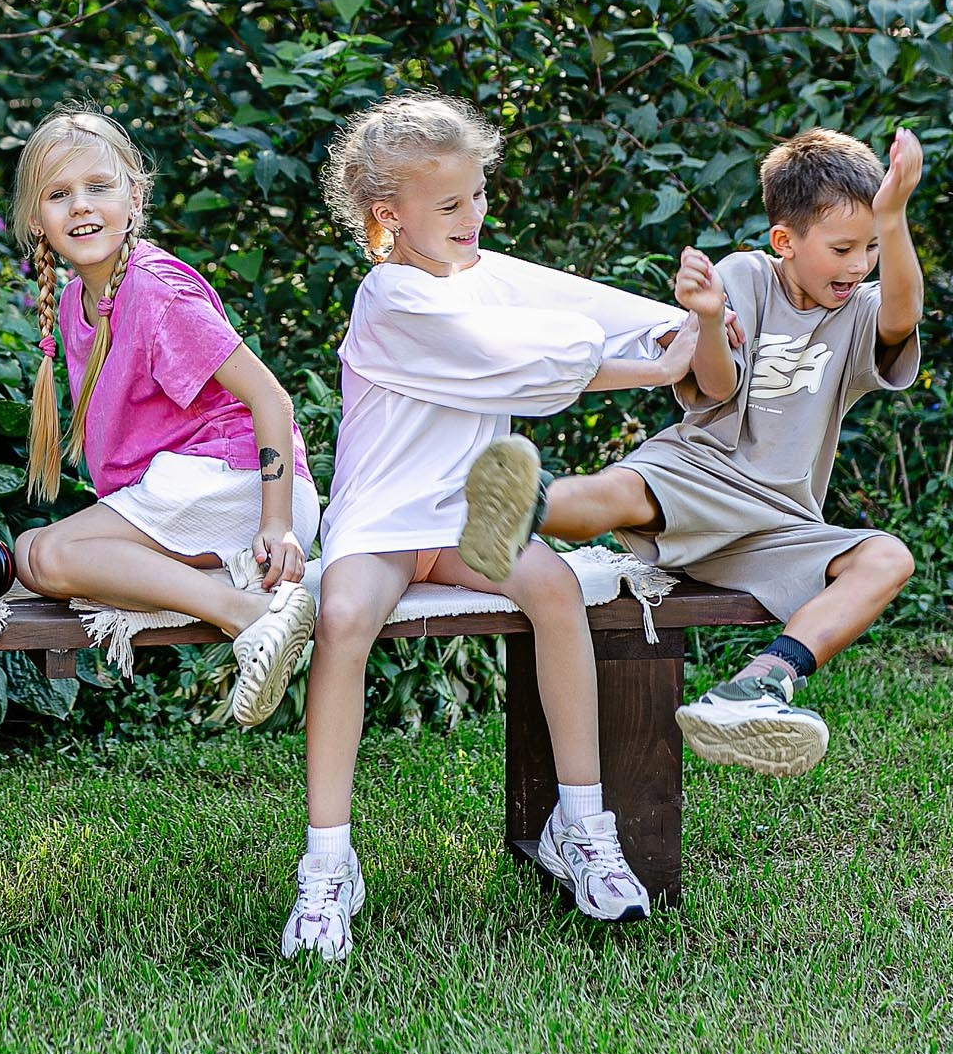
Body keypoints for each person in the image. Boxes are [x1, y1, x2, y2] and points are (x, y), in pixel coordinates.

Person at [286, 93, 709, 959]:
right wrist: (647, 368)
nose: (473, 216)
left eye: (478, 195)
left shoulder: (485, 274)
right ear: (387, 216)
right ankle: (327, 865)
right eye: (450, 205)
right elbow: (509, 359)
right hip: (383, 519)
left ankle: (581, 825)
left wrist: (679, 324)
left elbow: (585, 305)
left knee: (553, 590)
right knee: (343, 616)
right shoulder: (391, 298)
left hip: (468, 510)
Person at [456, 127, 925, 779]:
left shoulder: (861, 309)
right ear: (784, 242)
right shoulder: (745, 276)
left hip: (781, 521)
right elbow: (716, 386)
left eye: (871, 248)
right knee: (615, 495)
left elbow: (901, 318)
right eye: (843, 248)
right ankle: (512, 508)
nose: (859, 265)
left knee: (888, 557)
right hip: (700, 473)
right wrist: (707, 318)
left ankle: (760, 685)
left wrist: (893, 215)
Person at [6, 107, 321, 727]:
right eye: (59, 195)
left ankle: (250, 615)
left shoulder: (157, 292)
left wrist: (278, 522)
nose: (81, 207)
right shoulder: (78, 302)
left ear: (134, 196)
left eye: (98, 187)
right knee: (30, 550)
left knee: (47, 558)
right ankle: (241, 590)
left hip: (242, 489)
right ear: (36, 220)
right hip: (186, 497)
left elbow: (272, 401)